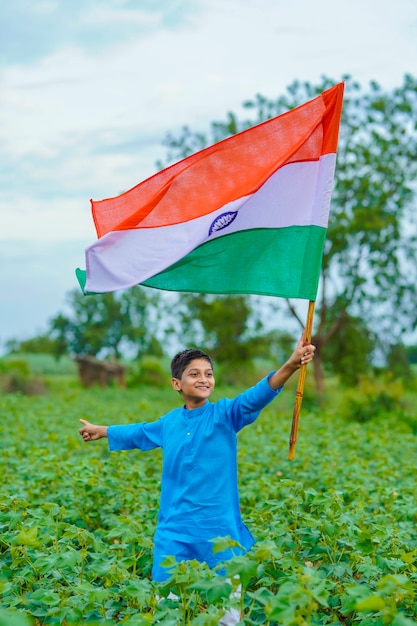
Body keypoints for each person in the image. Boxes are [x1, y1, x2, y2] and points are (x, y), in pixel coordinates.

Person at [79, 337, 315, 585]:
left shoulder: (225, 415)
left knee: (227, 610)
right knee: (167, 599)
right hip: (175, 528)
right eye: (194, 374)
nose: (203, 379)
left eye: (208, 374)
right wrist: (104, 430)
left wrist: (290, 365)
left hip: (218, 528)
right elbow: (139, 432)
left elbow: (255, 397)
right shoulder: (169, 422)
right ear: (176, 383)